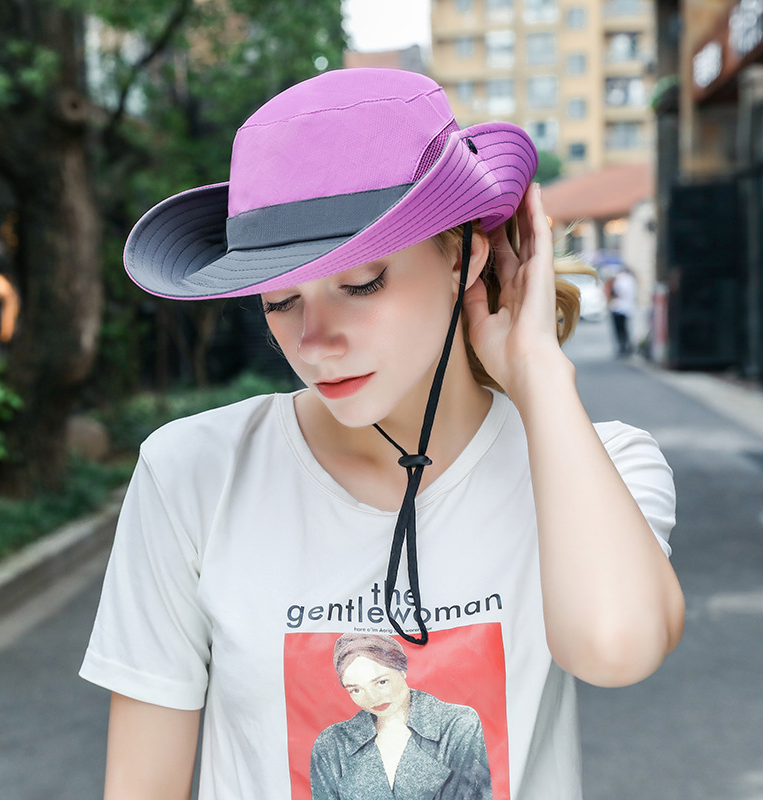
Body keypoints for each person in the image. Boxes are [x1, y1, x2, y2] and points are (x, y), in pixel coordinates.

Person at [80, 68, 684, 800]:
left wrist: (540, 376)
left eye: (360, 284)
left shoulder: (596, 463)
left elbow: (617, 648)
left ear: (463, 254)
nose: (314, 341)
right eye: (280, 300)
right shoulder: (194, 471)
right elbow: (140, 787)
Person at [311, 633, 492, 800]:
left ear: (402, 670)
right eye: (356, 690)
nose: (373, 698)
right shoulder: (332, 743)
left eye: (382, 682)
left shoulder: (457, 723)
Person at [608, 265, 637, 357]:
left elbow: (616, 292)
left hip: (618, 307)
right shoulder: (631, 280)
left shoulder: (620, 279)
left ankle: (622, 347)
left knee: (619, 329)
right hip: (627, 307)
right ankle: (627, 347)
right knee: (625, 329)